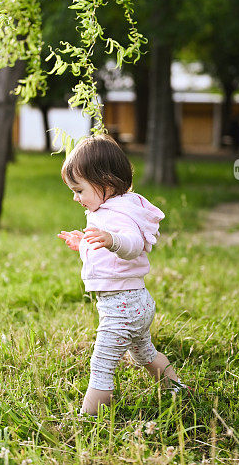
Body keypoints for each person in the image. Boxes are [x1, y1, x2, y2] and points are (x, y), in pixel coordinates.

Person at [57, 134, 188, 415]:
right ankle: (178, 389)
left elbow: (133, 244)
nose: (75, 197)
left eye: (79, 190)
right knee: (145, 355)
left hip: (122, 306)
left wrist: (112, 239)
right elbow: (109, 256)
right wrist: (85, 244)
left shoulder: (118, 215)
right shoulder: (112, 207)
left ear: (105, 183)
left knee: (101, 364)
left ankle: (89, 420)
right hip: (134, 303)